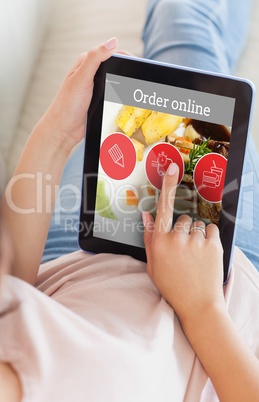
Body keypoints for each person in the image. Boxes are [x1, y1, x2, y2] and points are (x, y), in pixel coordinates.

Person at [0, 0, 259, 401]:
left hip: (78, 256)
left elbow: (11, 286)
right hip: (219, 280)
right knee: (185, 17)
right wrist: (201, 308)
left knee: (170, 22)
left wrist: (57, 133)